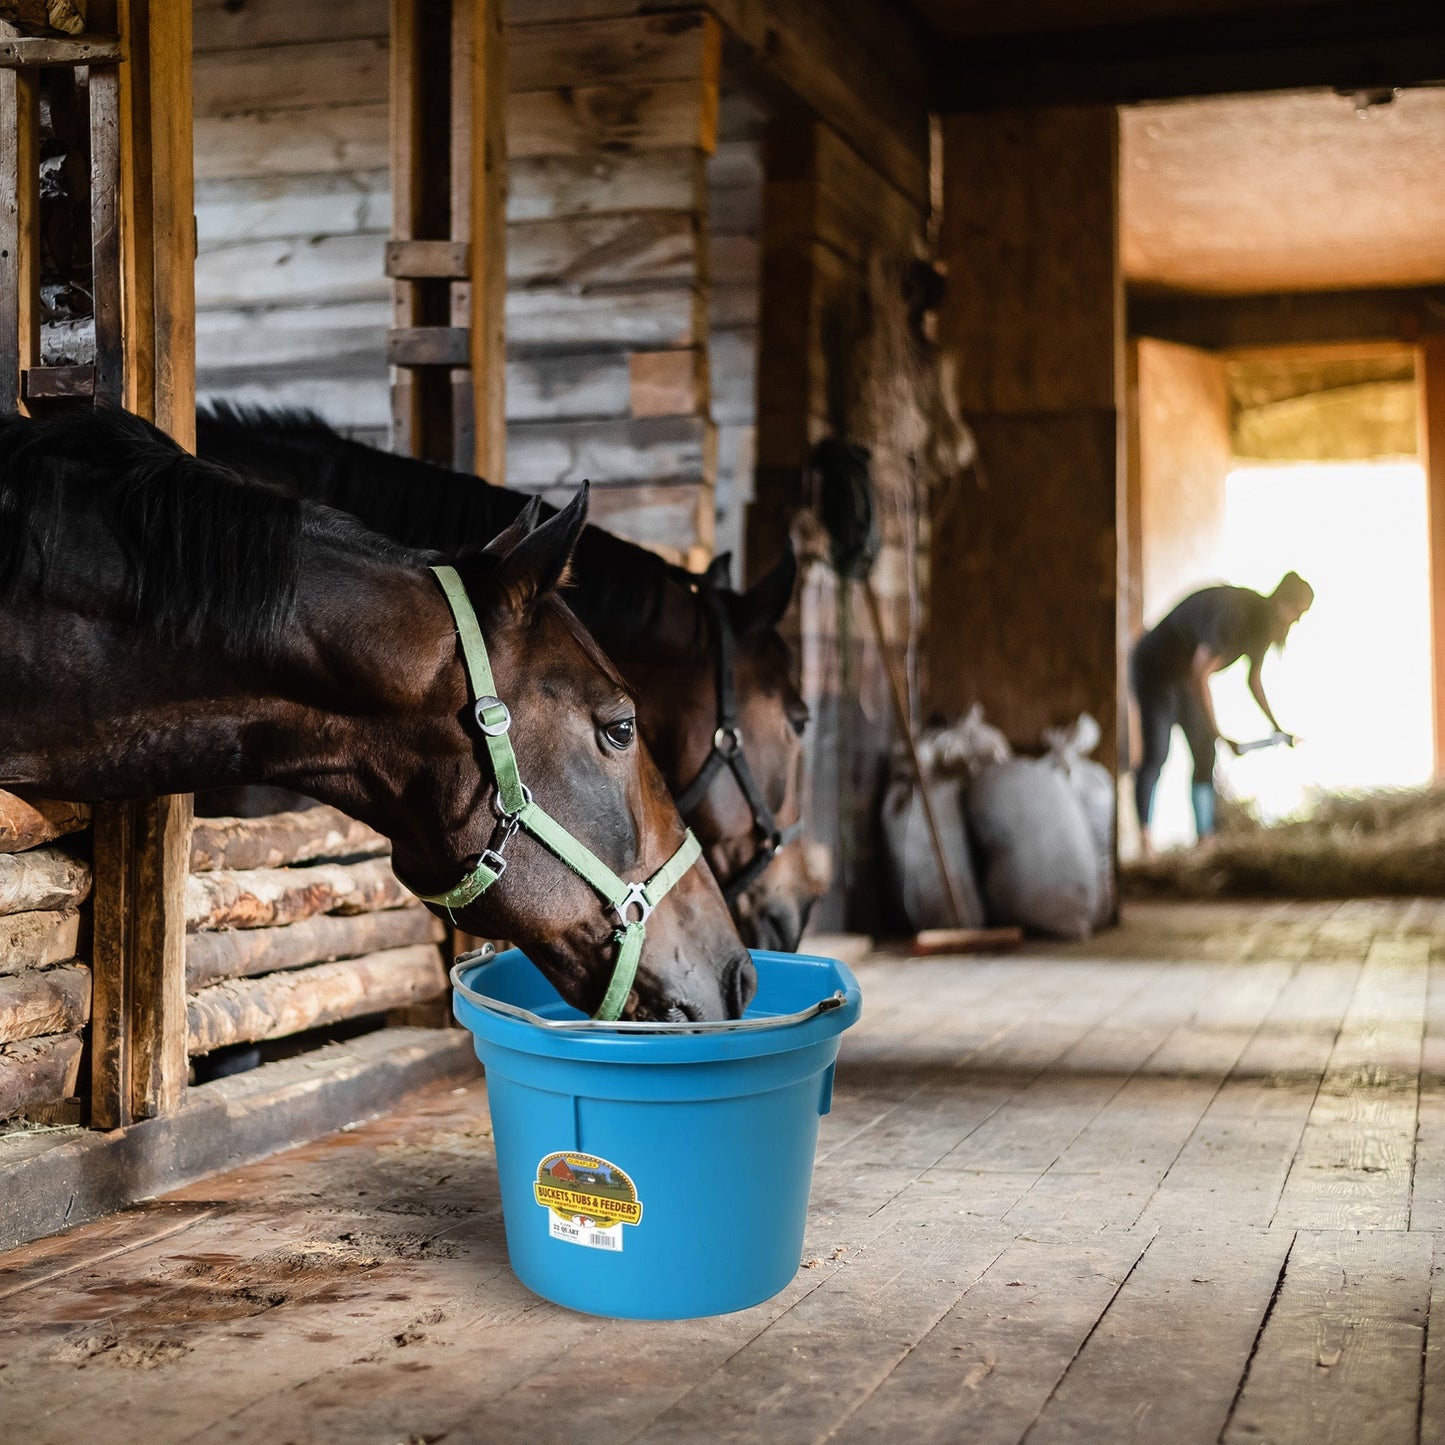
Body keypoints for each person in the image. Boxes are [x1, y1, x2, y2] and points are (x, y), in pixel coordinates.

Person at [1131, 572, 1314, 854]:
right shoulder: (1237, 613)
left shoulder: (1261, 630)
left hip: (1183, 677)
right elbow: (1200, 672)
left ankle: (1206, 842)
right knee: (1157, 752)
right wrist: (1219, 732)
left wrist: (1276, 726)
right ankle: (1146, 843)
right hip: (1155, 669)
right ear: (1282, 603)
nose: (1296, 620)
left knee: (1206, 752)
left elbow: (1253, 681)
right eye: (1296, 612)